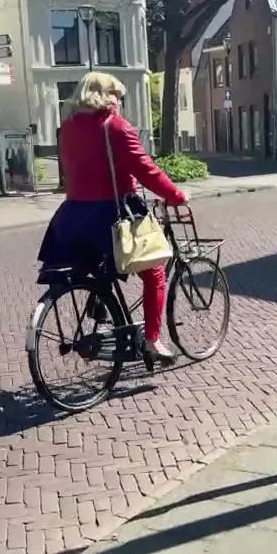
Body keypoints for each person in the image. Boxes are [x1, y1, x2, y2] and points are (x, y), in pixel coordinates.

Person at [37, 72, 187, 363]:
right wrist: (176, 195)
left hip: (73, 216)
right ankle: (152, 342)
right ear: (104, 96)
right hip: (112, 213)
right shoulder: (116, 127)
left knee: (99, 264)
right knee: (154, 270)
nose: (119, 102)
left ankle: (101, 304)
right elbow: (146, 170)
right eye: (117, 96)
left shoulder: (66, 129)